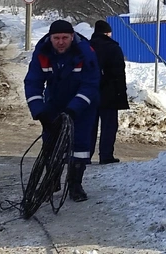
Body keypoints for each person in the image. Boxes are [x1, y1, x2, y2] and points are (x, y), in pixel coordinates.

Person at [24, 20, 100, 202]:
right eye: (56, 38)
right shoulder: (42, 53)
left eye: (65, 37)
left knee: (80, 145)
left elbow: (90, 84)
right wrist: (40, 111)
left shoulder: (85, 52)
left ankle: (75, 184)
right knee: (51, 142)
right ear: (50, 38)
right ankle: (52, 180)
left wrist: (73, 110)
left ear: (72, 37)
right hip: (55, 102)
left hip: (82, 105)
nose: (60, 42)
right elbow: (33, 82)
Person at [89, 20, 129, 165]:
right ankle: (105, 156)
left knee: (89, 125)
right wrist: (121, 94)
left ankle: (85, 155)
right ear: (107, 33)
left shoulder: (87, 46)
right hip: (110, 94)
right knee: (109, 126)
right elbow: (119, 73)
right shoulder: (113, 48)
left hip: (90, 93)